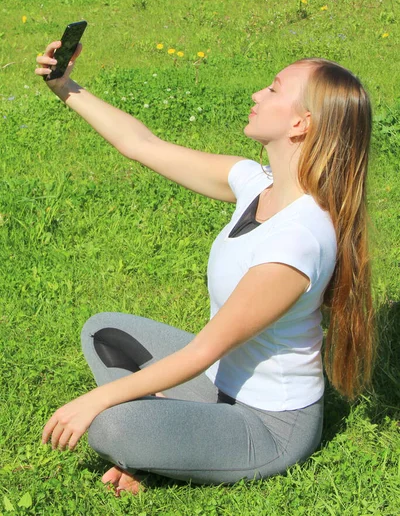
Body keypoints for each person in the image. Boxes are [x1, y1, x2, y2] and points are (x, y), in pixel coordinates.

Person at [35, 41, 375, 495]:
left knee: (107, 426)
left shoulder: (299, 240)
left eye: (273, 90)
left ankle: (152, 445)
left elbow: (203, 351)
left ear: (301, 123)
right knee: (104, 331)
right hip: (218, 382)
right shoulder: (256, 183)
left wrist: (95, 400)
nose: (257, 94)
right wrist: (65, 86)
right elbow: (141, 145)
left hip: (266, 425)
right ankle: (163, 439)